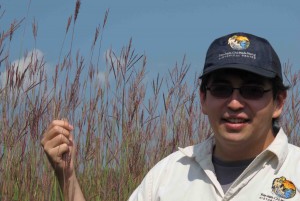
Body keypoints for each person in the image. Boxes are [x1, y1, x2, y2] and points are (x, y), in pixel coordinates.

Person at [41, 32, 300, 200]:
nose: (234, 102)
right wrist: (68, 177)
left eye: (252, 91)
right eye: (221, 89)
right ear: (202, 99)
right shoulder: (168, 173)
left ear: (278, 102)